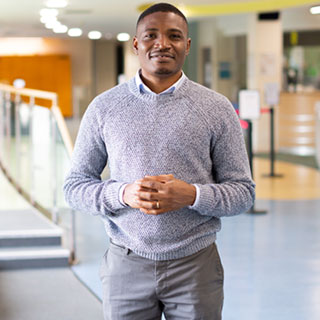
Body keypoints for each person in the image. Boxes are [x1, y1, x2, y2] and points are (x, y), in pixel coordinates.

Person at [63, 3, 255, 319]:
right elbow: (74, 187)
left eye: (174, 36)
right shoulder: (104, 108)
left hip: (196, 266)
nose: (162, 44)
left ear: (187, 45)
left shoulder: (217, 109)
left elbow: (243, 194)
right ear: (136, 44)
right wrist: (123, 194)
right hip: (126, 263)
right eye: (151, 35)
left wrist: (191, 195)